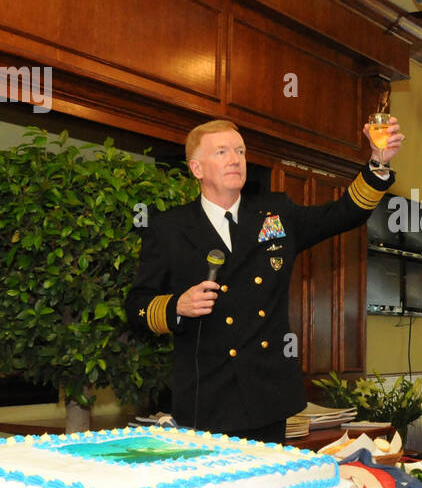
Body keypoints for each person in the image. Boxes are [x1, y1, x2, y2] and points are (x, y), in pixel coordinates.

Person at [126, 116, 402, 441]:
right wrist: (177, 305)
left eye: (240, 151)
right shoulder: (169, 228)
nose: (235, 159)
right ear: (196, 168)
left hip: (268, 396)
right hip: (207, 398)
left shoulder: (276, 214)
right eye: (222, 152)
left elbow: (344, 213)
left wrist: (377, 164)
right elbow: (136, 307)